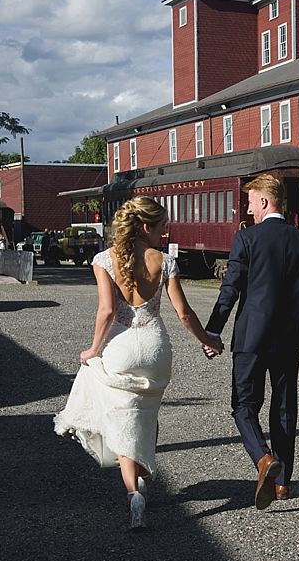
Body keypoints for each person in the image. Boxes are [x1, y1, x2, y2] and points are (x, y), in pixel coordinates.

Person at [54, 196, 223, 530]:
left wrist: (92, 349)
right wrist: (208, 341)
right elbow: (184, 313)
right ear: (146, 227)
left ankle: (134, 493)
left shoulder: (104, 260)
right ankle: (145, 469)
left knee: (122, 420)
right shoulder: (165, 261)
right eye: (161, 228)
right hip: (155, 348)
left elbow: (107, 312)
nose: (164, 234)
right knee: (147, 415)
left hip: (121, 347)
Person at [205, 174, 299, 510]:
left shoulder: (246, 240)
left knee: (244, 406)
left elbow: (229, 289)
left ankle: (263, 459)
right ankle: (283, 484)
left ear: (264, 201)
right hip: (289, 338)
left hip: (251, 336)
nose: (247, 208)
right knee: (285, 407)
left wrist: (213, 331)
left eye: (250, 201)